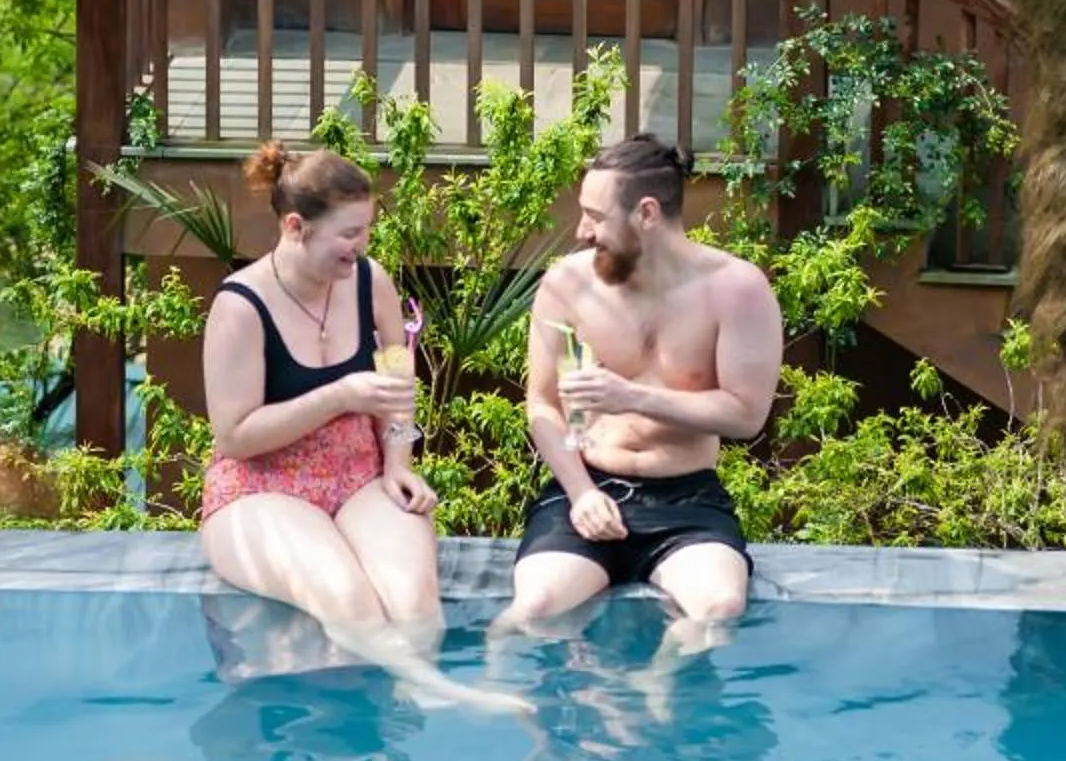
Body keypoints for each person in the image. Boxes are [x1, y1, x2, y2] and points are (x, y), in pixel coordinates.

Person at [201, 142, 523, 713]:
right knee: (348, 599)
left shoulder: (370, 281)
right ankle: (438, 691)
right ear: (296, 227)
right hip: (261, 487)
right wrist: (339, 395)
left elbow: (398, 378)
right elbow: (235, 436)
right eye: (348, 234)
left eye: (366, 230)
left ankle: (403, 697)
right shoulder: (240, 307)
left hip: (358, 476)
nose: (361, 247)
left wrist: (399, 461)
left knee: (415, 605)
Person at [493, 133, 783, 699]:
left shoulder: (736, 290)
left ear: (647, 214)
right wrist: (579, 492)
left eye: (595, 216)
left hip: (685, 500)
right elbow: (543, 406)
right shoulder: (569, 284)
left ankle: (654, 684)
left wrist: (633, 397)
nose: (582, 230)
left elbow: (747, 416)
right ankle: (497, 696)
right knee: (532, 610)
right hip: (585, 488)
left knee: (720, 608)